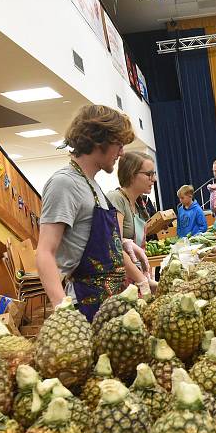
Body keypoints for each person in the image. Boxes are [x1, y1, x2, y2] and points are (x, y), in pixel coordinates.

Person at [36, 104, 150, 321]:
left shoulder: (92, 185)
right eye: (118, 143)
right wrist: (64, 314)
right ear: (100, 140)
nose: (121, 152)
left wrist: (122, 243)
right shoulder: (64, 183)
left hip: (109, 303)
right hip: (85, 306)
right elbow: (44, 252)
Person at [107, 151, 159, 282]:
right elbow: (115, 246)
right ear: (131, 175)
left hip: (136, 276)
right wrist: (142, 280)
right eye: (149, 174)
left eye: (154, 173)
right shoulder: (116, 199)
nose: (154, 179)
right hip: (122, 280)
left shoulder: (139, 203)